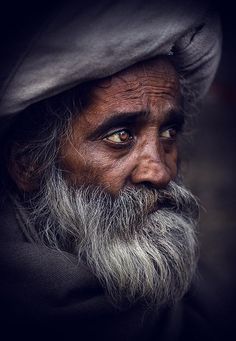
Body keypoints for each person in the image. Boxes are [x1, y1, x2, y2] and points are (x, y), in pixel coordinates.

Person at [0, 1, 221, 340]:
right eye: (121, 136)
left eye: (168, 133)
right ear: (29, 164)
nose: (159, 172)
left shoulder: (204, 302)